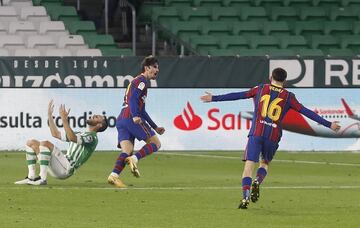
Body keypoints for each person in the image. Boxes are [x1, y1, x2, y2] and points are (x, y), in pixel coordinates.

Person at [200, 68, 341, 209]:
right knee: (264, 164)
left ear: (270, 77)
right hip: (273, 135)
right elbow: (307, 112)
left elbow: (239, 95)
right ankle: (258, 181)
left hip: (256, 132)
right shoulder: (289, 97)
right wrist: (329, 124)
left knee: (248, 166)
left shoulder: (260, 88)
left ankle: (245, 198)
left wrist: (214, 98)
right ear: (285, 81)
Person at [15, 100, 108, 185]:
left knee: (45, 143)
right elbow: (56, 134)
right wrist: (49, 116)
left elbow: (72, 138)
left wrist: (64, 119)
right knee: (31, 143)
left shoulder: (92, 138)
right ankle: (31, 177)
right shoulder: (81, 133)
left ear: (99, 125)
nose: (94, 115)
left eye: (97, 117)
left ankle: (42, 179)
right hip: (59, 164)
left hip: (67, 168)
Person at [107, 55, 165, 188]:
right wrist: (134, 116)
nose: (157, 70)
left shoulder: (138, 81)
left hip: (121, 119)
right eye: (155, 67)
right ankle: (135, 159)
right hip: (130, 118)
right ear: (147, 68)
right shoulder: (142, 81)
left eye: (158, 68)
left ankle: (113, 175)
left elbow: (142, 110)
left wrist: (155, 127)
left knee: (126, 150)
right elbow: (133, 99)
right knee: (156, 143)